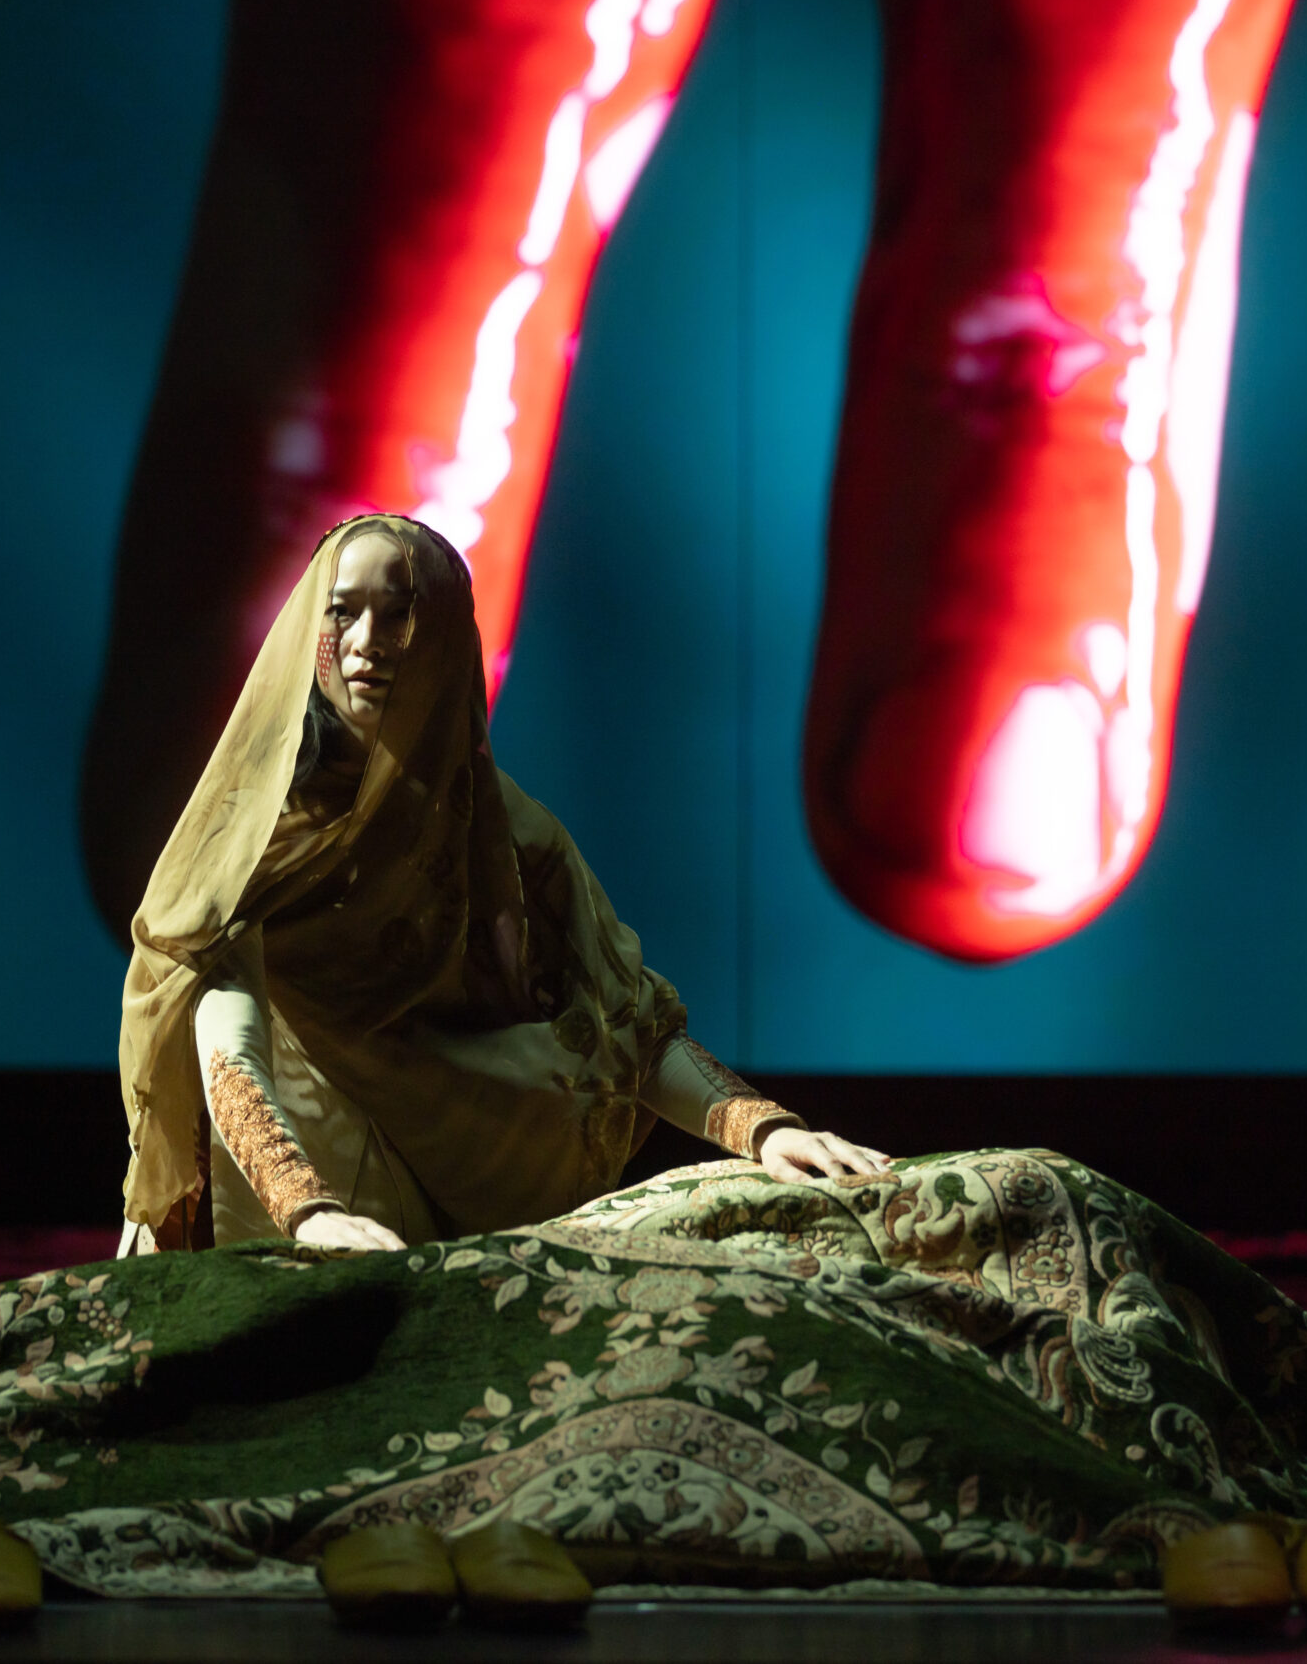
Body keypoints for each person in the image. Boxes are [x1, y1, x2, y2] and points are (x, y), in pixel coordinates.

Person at [119, 514, 890, 1256]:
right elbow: (227, 1035)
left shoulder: (502, 833)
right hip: (281, 1201)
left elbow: (629, 1025)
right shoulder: (252, 832)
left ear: (447, 638)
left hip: (453, 1198)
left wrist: (766, 1131)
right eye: (342, 611)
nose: (365, 643)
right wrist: (309, 1211)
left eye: (400, 615)